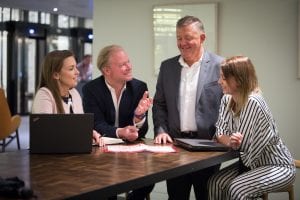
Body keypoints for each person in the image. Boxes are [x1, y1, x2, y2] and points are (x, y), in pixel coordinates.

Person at [152, 15, 224, 200]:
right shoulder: (167, 67)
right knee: (176, 196)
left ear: (202, 38)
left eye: (188, 37)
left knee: (205, 196)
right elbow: (159, 104)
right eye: (179, 38)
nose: (182, 43)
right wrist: (161, 130)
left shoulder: (220, 66)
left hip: (208, 146)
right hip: (176, 146)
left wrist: (222, 134)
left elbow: (228, 106)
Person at [208, 56, 296, 200]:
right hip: (250, 163)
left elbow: (244, 147)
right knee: (215, 183)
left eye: (224, 78)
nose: (219, 82)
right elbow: (220, 133)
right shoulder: (226, 99)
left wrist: (233, 142)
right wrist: (230, 142)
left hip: (278, 165)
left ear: (238, 79)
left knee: (237, 189)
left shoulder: (253, 101)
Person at [82, 45, 154, 200]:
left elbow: (142, 131)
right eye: (123, 65)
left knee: (148, 179)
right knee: (106, 186)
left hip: (130, 152)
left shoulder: (139, 87)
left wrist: (138, 117)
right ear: (107, 70)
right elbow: (96, 124)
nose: (129, 67)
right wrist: (120, 132)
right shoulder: (91, 89)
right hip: (101, 152)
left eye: (128, 62)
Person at [31, 50, 104, 147]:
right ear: (56, 75)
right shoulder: (44, 94)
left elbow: (78, 127)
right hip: (51, 158)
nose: (77, 72)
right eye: (71, 69)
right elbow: (45, 134)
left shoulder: (74, 94)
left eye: (76, 68)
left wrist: (89, 133)